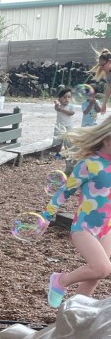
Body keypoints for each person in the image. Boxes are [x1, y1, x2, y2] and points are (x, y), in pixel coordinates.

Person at [42, 115, 111, 309]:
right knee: (102, 268)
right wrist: (47, 215)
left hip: (107, 228)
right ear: (108, 140)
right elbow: (65, 191)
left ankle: (75, 312)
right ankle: (61, 280)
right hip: (84, 227)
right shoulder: (89, 164)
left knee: (94, 276)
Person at [90, 48, 111, 115]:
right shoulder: (108, 74)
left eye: (103, 65)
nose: (101, 67)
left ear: (109, 62)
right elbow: (109, 88)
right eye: (100, 65)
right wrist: (104, 104)